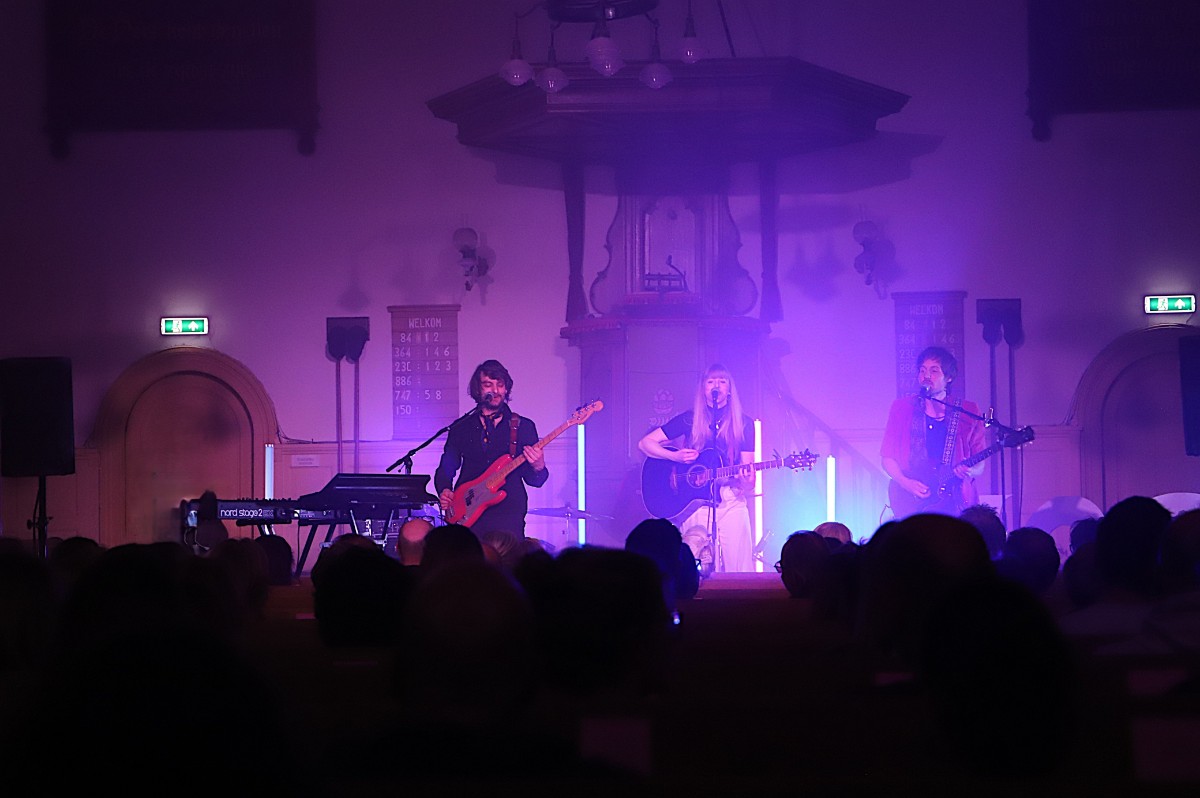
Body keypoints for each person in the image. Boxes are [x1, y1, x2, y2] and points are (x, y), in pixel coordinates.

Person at [638, 363, 755, 572]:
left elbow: (748, 477)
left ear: (729, 388)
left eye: (721, 381)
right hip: (693, 501)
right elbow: (645, 443)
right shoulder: (688, 419)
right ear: (703, 388)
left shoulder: (744, 423)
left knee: (740, 566)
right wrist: (674, 455)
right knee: (692, 566)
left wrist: (747, 481)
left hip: (730, 498)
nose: (716, 386)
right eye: (710, 382)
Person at [435, 359, 548, 540]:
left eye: (500, 385)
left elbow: (534, 481)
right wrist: (445, 489)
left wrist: (538, 466)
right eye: (488, 385)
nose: (495, 391)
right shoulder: (461, 427)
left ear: (506, 390)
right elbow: (446, 468)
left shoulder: (524, 426)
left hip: (508, 512)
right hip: (468, 510)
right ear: (478, 390)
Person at [881, 346, 988, 520]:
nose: (926, 376)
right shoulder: (902, 408)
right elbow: (887, 457)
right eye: (922, 371)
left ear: (949, 377)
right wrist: (905, 482)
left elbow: (979, 465)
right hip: (910, 497)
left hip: (954, 498)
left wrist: (969, 471)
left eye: (934, 371)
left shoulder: (967, 410)